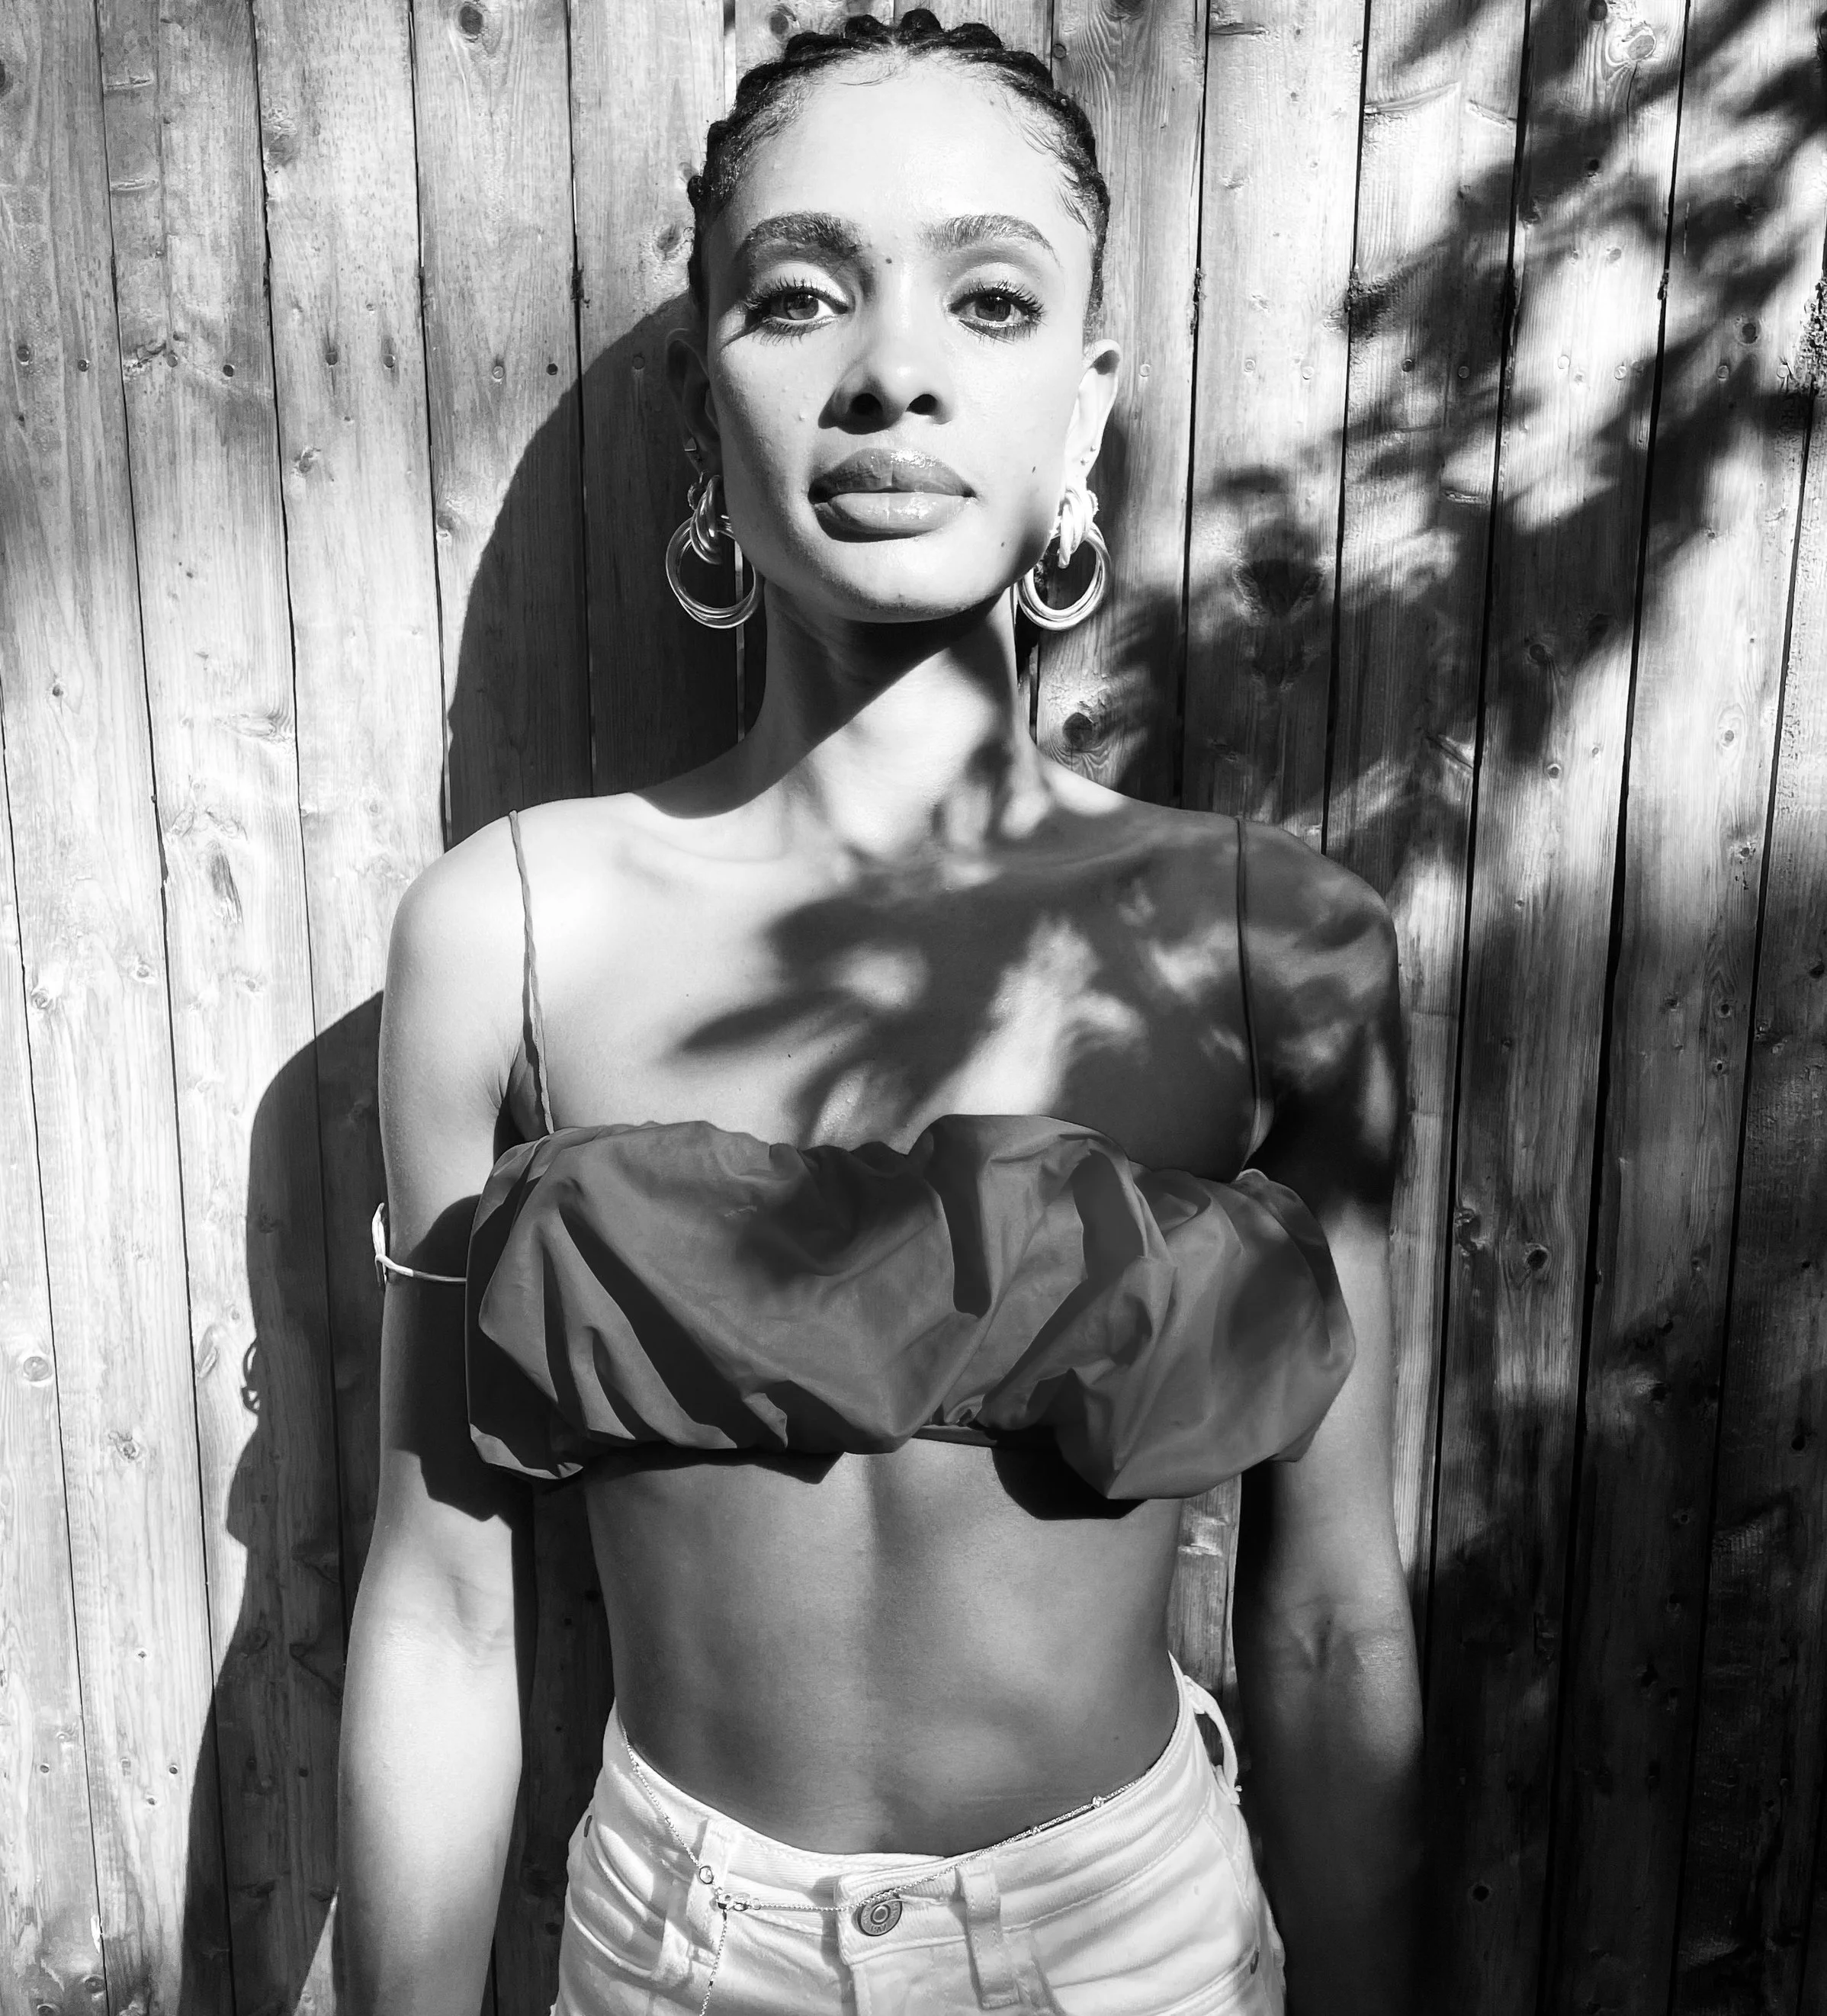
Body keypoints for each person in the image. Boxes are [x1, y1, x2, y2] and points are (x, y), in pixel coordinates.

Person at [336, 14, 1423, 2014]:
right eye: (800, 294)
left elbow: (1337, 1613)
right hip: (671, 1957)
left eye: (989, 298)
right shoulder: (506, 931)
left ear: (1084, 406)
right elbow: (437, 1610)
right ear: (705, 397)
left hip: (1139, 1959)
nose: (892, 368)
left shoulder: (1277, 944)